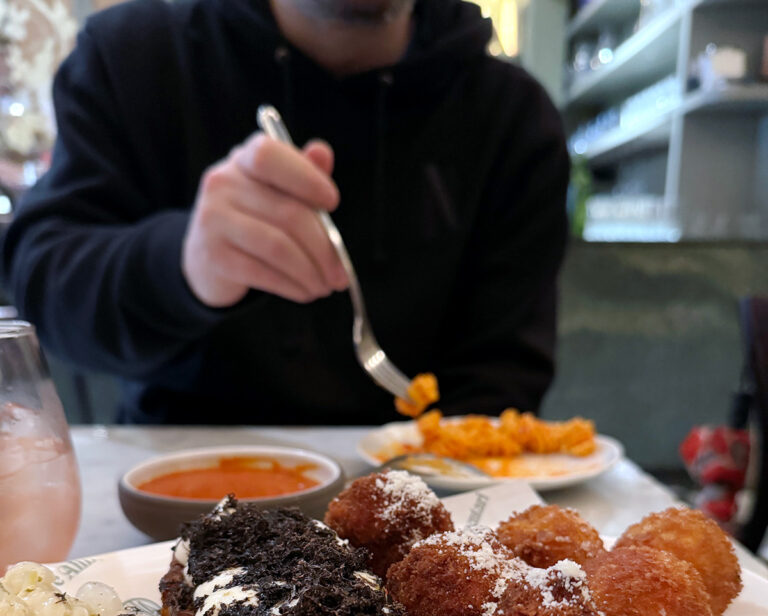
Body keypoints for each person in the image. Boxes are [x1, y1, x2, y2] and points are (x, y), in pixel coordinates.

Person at [0, 0, 570, 426]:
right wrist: (181, 265)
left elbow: (504, 376)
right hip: (170, 491)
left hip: (429, 497)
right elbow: (45, 289)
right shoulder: (133, 56)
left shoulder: (514, 119)